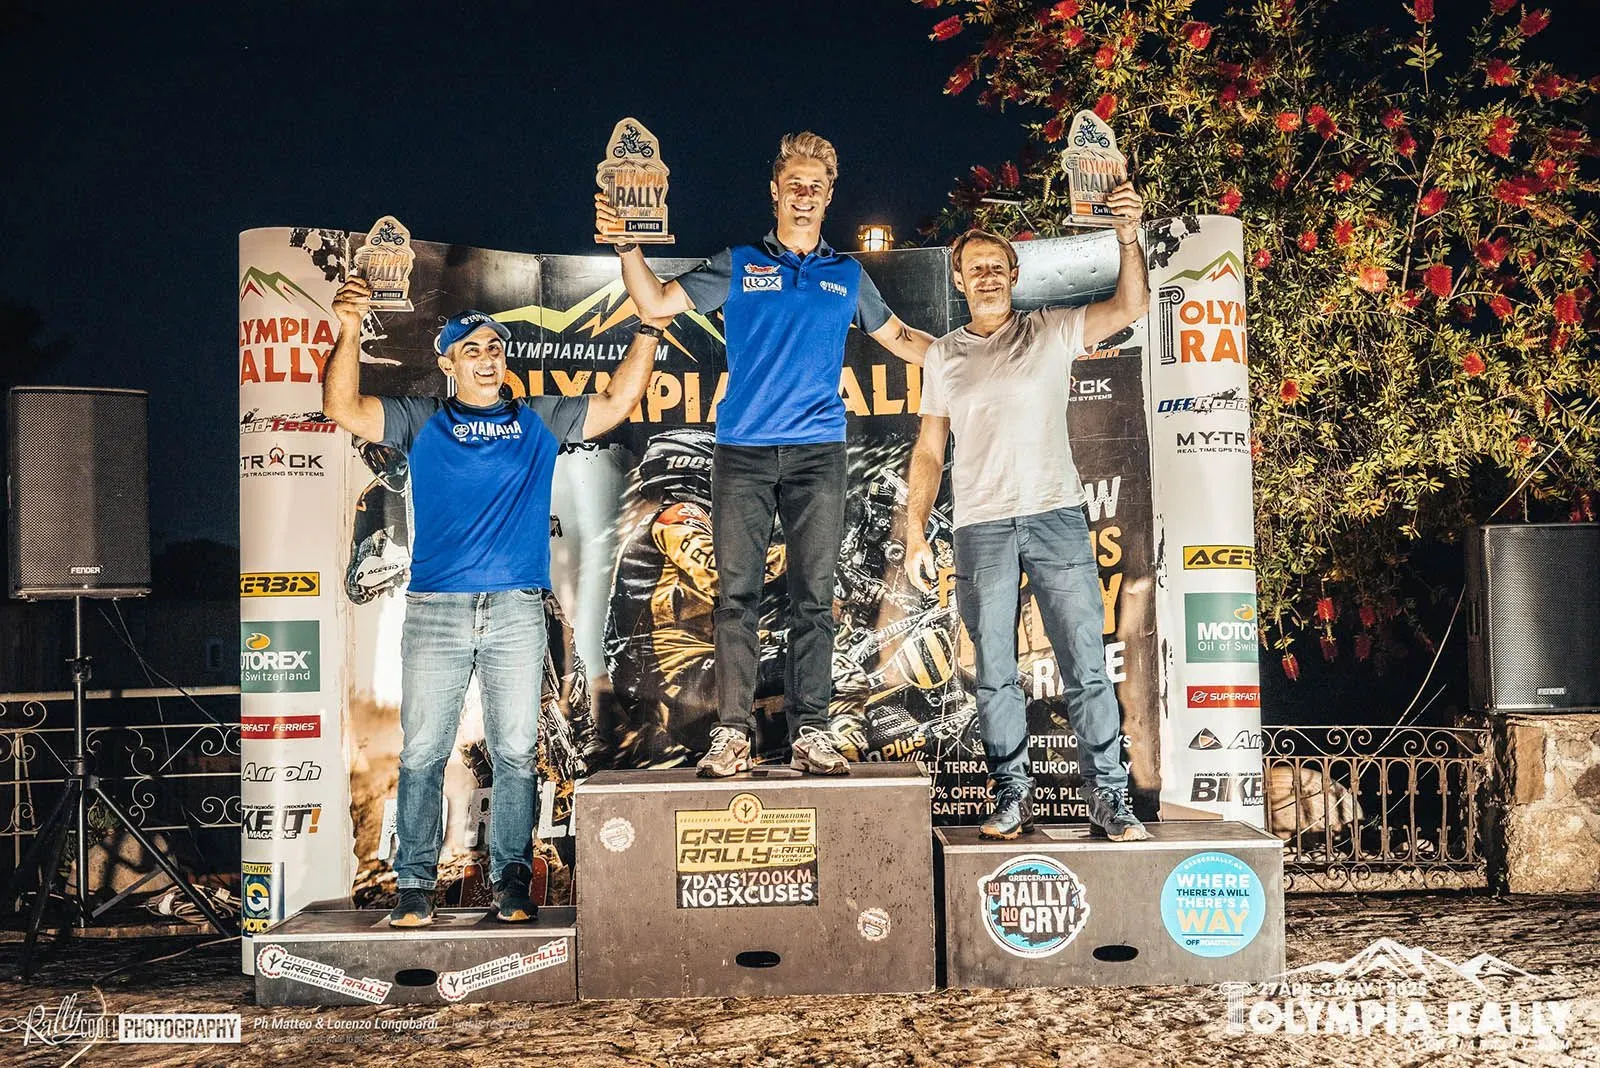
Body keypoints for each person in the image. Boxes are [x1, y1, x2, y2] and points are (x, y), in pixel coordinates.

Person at [323, 275, 667, 926]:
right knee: (423, 753)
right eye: (471, 349)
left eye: (495, 348)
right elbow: (343, 407)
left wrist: (649, 328)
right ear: (449, 364)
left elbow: (618, 401)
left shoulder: (536, 418)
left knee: (514, 752)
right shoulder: (421, 419)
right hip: (437, 611)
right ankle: (415, 887)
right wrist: (347, 328)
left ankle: (512, 882)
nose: (487, 358)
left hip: (515, 609)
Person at [596, 131, 936, 778]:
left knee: (814, 599)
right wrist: (627, 247)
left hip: (818, 454)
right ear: (775, 192)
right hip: (743, 452)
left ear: (829, 196)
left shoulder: (847, 275)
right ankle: (731, 734)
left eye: (817, 187)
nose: (805, 196)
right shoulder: (740, 263)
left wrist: (971, 355)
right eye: (795, 185)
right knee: (736, 599)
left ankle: (811, 733)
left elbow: (900, 338)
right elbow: (656, 302)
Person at [903, 182, 1152, 842]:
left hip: (1055, 516)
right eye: (975, 268)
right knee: (994, 674)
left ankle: (1109, 798)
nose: (986, 276)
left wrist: (1127, 237)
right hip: (980, 527)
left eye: (997, 266)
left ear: (1014, 276)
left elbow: (1132, 304)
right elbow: (929, 448)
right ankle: (1012, 796)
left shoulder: (1049, 329)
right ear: (959, 281)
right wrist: (914, 530)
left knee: (1086, 665)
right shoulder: (943, 355)